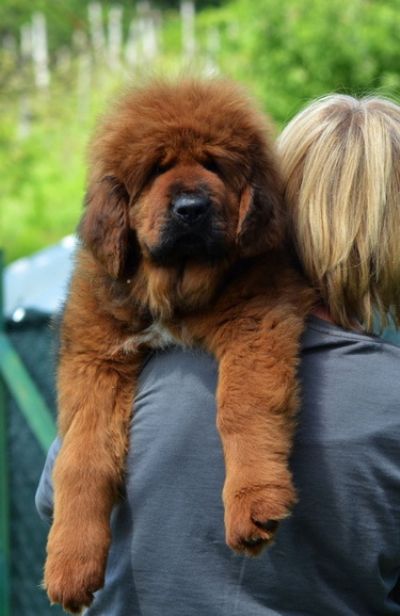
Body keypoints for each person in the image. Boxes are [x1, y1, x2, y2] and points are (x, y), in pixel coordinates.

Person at [36, 94, 400, 615]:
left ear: (268, 199)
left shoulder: (147, 380)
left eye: (214, 167)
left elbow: (52, 499)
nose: (189, 195)